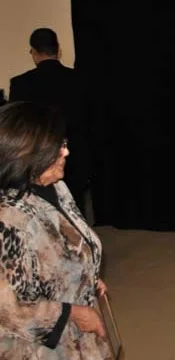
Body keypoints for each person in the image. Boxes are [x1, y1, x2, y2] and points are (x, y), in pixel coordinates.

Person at [0, 101, 110, 359]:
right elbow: (8, 308)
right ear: (28, 152)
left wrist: (87, 273)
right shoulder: (8, 219)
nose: (66, 152)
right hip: (38, 348)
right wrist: (74, 313)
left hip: (78, 340)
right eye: (58, 147)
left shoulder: (55, 187)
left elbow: (65, 246)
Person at [9, 27, 91, 212]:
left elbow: (20, 127)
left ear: (34, 52)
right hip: (77, 153)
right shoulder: (80, 79)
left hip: (38, 156)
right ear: (58, 49)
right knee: (76, 203)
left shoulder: (21, 83)